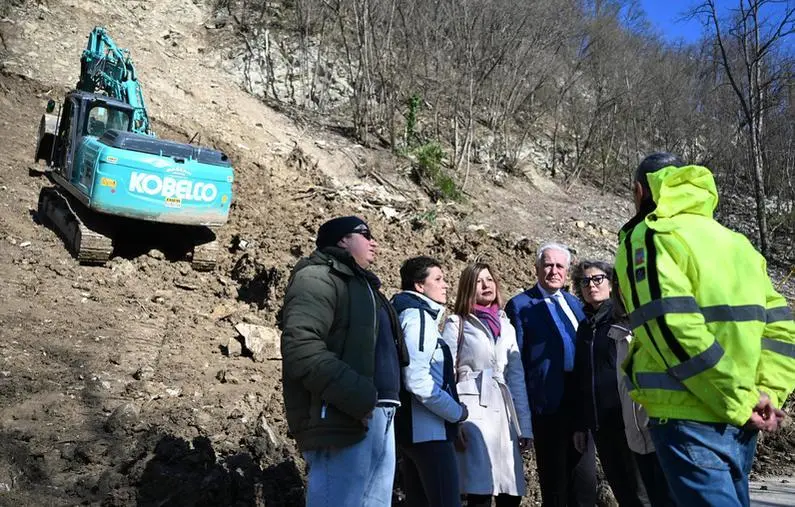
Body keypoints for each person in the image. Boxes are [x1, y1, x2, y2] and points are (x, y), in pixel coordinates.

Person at [615, 152, 795, 507]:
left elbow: (672, 328)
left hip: (688, 416)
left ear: (639, 191)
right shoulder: (738, 244)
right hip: (743, 418)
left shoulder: (650, 237)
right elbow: (783, 331)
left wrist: (740, 399)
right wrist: (767, 393)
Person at [280, 216, 409, 507]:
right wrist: (356, 397)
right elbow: (302, 347)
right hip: (342, 415)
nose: (374, 241)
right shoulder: (317, 277)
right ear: (342, 240)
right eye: (365, 234)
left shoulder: (363, 286)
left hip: (378, 414)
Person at [506, 243, 597, 507]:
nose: (553, 271)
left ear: (567, 271)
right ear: (536, 268)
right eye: (548, 264)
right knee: (555, 484)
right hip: (546, 405)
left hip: (578, 403)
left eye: (559, 266)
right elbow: (516, 361)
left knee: (584, 480)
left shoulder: (573, 303)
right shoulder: (520, 305)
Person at [441, 263, 533, 507]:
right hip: (471, 410)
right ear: (468, 287)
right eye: (479, 281)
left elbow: (516, 377)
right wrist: (454, 419)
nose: (486, 285)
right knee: (478, 490)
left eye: (490, 280)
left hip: (504, 412)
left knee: (510, 491)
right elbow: (445, 374)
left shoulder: (506, 325)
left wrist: (524, 427)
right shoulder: (457, 323)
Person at [570, 260, 650, 506]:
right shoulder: (585, 327)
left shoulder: (623, 319)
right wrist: (582, 425)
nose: (591, 285)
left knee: (642, 493)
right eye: (585, 281)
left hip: (629, 421)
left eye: (598, 279)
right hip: (601, 426)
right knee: (623, 491)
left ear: (611, 283)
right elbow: (582, 378)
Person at [392, 256, 467, 507]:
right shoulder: (418, 318)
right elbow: (416, 379)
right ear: (419, 286)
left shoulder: (407, 314)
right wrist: (456, 412)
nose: (446, 285)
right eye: (438, 279)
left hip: (413, 432)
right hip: (428, 433)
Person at [608, 273, 675, 507]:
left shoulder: (663, 324)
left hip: (666, 432)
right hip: (637, 436)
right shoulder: (618, 333)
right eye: (621, 286)